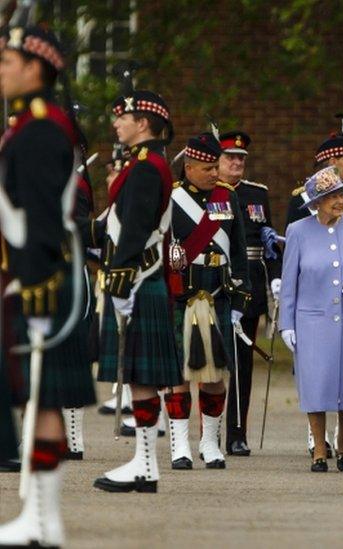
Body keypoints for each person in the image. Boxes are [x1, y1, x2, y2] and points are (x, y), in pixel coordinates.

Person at [0, 24, 97, 546]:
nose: (1, 71)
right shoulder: (31, 123)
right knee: (42, 401)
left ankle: (42, 520)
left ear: (36, 67)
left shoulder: (39, 128)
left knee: (43, 399)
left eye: (7, 61)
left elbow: (39, 213)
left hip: (40, 277)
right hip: (37, 273)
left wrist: (33, 279)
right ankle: (42, 519)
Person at [93, 89, 181, 494]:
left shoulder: (147, 166)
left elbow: (138, 226)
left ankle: (146, 465)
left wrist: (121, 274)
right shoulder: (143, 163)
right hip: (135, 276)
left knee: (141, 376)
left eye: (122, 117)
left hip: (138, 277)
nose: (116, 124)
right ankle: (143, 463)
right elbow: (114, 222)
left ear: (143, 122)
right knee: (138, 378)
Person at [279, 167, 343, 473]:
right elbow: (289, 282)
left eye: (342, 193)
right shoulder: (298, 231)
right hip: (311, 321)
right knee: (315, 385)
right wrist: (287, 324)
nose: (340, 200)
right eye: (332, 196)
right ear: (317, 202)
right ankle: (319, 449)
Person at [164, 133, 250, 470]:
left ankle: (210, 442)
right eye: (208, 167)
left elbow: (239, 249)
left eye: (217, 166)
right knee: (179, 374)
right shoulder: (171, 199)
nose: (216, 173)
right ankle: (180, 443)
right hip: (183, 294)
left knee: (216, 375)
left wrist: (241, 298)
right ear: (189, 167)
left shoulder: (227, 198)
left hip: (218, 292)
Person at [218, 130, 281, 456]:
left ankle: (237, 433)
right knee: (212, 364)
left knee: (243, 366)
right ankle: (210, 431)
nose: (236, 162)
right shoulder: (207, 194)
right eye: (230, 157)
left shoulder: (257, 194)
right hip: (216, 284)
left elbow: (267, 246)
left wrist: (275, 279)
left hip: (250, 288)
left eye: (241, 158)